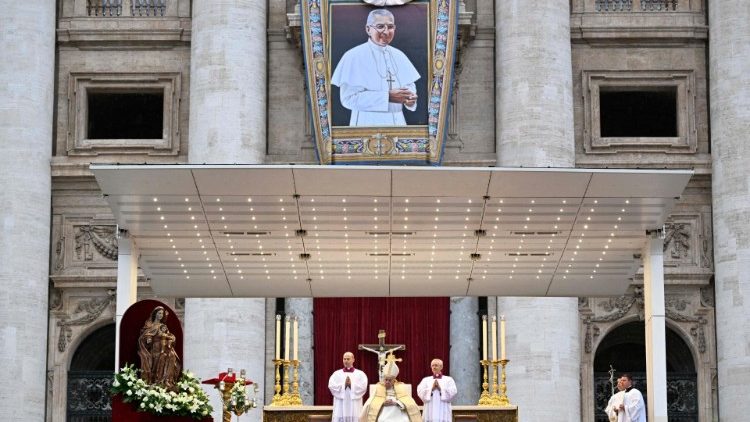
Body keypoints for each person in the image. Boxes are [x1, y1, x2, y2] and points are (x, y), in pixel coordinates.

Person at [331, 8, 420, 126]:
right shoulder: (353, 56)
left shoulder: (399, 55)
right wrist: (387, 97)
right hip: (366, 123)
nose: (386, 31)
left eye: (390, 27)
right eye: (380, 26)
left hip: (398, 124)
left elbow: (410, 87)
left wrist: (410, 100)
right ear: (368, 29)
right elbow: (348, 99)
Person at [360, 354, 421, 422]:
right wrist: (382, 403)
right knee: (381, 420)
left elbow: (409, 402)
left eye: (390, 380)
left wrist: (396, 403)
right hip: (383, 409)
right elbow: (371, 402)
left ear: (394, 380)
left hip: (398, 409)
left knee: (405, 420)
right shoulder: (379, 387)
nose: (387, 382)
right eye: (386, 379)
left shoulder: (400, 387)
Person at [137, 306, 181, 390]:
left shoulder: (163, 326)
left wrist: (171, 338)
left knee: (171, 355)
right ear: (155, 314)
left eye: (162, 314)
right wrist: (148, 339)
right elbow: (144, 337)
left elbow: (168, 335)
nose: (161, 315)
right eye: (159, 313)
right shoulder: (150, 325)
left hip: (165, 347)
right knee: (159, 358)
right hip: (155, 348)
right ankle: (156, 381)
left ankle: (166, 380)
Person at [329, 352, 369, 422]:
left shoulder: (360, 374)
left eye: (348, 359)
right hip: (340, 404)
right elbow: (331, 386)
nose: (346, 361)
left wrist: (351, 385)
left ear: (353, 360)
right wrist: (344, 385)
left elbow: (363, 387)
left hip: (354, 404)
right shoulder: (336, 374)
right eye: (344, 359)